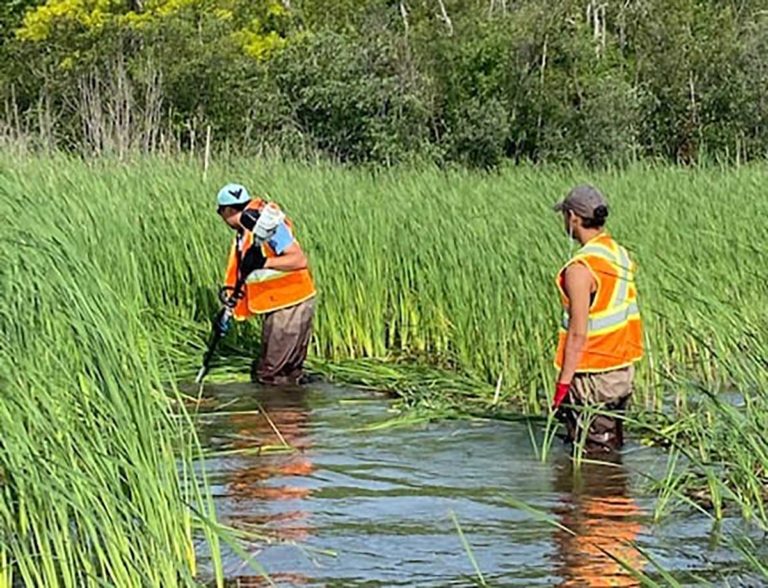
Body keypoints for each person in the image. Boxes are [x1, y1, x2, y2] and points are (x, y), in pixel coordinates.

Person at [551, 185, 643, 452]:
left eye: (564, 216)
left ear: (573, 218)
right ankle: (616, 492)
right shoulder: (618, 253)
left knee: (593, 455)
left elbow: (578, 334)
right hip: (622, 371)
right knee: (610, 446)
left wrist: (563, 386)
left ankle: (599, 493)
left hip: (594, 376)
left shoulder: (580, 269)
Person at [216, 183, 316, 385]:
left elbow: (299, 260)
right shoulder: (246, 232)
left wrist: (263, 262)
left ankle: (272, 415)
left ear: (227, 210)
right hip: (283, 303)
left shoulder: (268, 225)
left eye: (220, 212)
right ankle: (296, 413)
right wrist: (228, 310)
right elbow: (245, 274)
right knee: (289, 372)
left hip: (290, 304)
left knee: (269, 373)